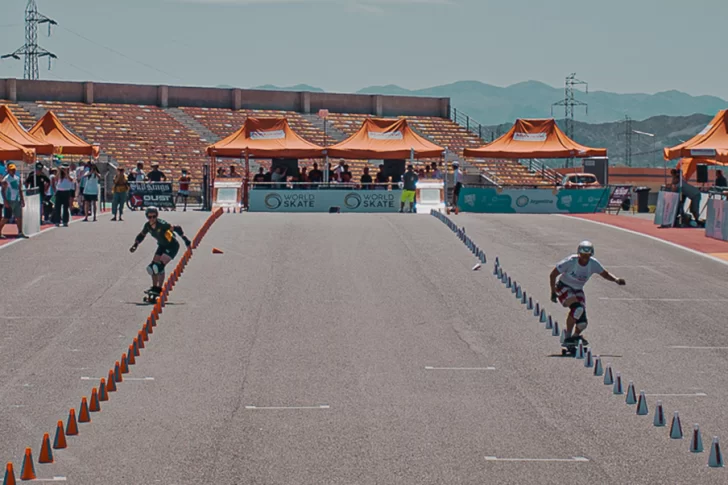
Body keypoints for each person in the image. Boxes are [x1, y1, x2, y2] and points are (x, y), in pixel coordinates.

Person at [549, 241, 625, 345]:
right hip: (563, 286)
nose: (585, 258)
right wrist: (553, 292)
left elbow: (605, 274)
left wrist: (616, 279)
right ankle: (567, 338)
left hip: (578, 289)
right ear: (579, 254)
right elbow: (553, 274)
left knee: (582, 323)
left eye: (587, 255)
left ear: (591, 255)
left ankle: (575, 336)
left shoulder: (593, 263)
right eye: (583, 255)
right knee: (577, 308)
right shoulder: (571, 261)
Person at [129, 206, 191, 299]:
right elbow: (142, 235)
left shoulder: (162, 224)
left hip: (172, 246)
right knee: (152, 267)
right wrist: (136, 244)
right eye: (150, 217)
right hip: (162, 246)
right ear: (147, 217)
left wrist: (185, 239)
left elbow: (177, 228)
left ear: (157, 216)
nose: (152, 219)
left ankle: (159, 288)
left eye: (154, 216)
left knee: (159, 266)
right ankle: (154, 287)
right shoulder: (147, 226)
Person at [0, 163, 27, 239]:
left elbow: (19, 189)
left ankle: (20, 232)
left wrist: (22, 199)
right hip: (9, 200)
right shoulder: (6, 179)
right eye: (11, 170)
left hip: (16, 200)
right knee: (6, 217)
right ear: (8, 170)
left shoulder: (17, 178)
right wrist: (5, 201)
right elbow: (3, 191)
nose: (13, 171)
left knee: (19, 217)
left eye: (14, 169)